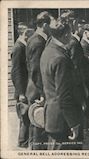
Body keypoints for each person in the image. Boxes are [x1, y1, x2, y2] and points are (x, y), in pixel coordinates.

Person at [40, 18, 83, 150]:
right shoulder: (60, 58)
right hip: (63, 119)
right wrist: (74, 123)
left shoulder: (48, 50)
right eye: (70, 33)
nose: (71, 36)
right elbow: (64, 95)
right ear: (66, 35)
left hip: (53, 116)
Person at [25, 11, 52, 150]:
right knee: (39, 124)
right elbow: (36, 70)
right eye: (51, 23)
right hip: (37, 89)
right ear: (45, 24)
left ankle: (33, 149)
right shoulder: (37, 42)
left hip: (34, 87)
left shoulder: (34, 38)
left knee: (34, 124)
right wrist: (42, 93)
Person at [11, 23, 34, 148]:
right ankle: (23, 143)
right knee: (25, 117)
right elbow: (16, 72)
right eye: (29, 32)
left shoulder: (24, 46)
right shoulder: (18, 47)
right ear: (24, 33)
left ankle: (24, 142)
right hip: (22, 90)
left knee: (26, 118)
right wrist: (20, 93)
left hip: (25, 88)